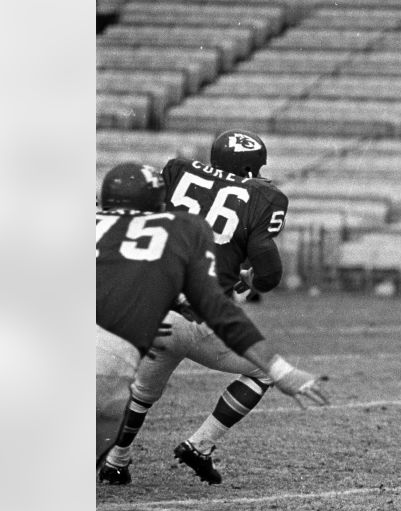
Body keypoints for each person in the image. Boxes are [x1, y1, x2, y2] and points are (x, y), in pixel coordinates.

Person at [96, 163, 327, 477]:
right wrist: (280, 369)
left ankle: (115, 459)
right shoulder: (175, 233)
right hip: (176, 321)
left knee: (131, 392)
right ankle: (192, 445)